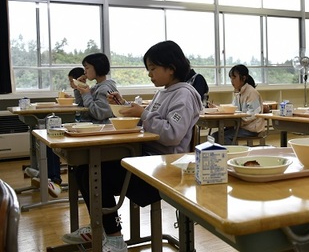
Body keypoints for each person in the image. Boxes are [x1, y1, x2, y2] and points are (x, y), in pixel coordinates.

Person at [62, 41, 203, 252]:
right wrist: (124, 107)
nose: (149, 74)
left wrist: (142, 113)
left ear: (171, 68)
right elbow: (149, 121)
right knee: (83, 167)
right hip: (147, 160)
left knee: (95, 172)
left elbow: (172, 134)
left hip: (163, 170)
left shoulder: (184, 93)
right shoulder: (165, 92)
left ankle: (114, 237)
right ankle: (101, 227)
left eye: (153, 69)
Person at [24, 66, 87, 198]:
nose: (70, 84)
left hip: (82, 127)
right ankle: (48, 177)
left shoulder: (93, 90)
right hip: (77, 125)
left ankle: (52, 180)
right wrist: (76, 93)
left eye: (72, 81)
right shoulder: (83, 91)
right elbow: (81, 104)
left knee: (53, 142)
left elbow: (85, 109)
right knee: (50, 140)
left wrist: (81, 92)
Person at [211, 64, 264, 145]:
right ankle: (222, 155)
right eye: (231, 78)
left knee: (224, 136)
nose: (232, 81)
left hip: (251, 128)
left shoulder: (251, 92)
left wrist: (237, 120)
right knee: (215, 136)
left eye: (234, 77)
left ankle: (233, 154)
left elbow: (254, 114)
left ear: (243, 78)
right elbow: (233, 109)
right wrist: (218, 108)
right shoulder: (238, 92)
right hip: (242, 127)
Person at [73, 53, 117, 123]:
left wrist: (86, 94)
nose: (85, 72)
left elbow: (99, 114)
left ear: (97, 67)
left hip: (103, 129)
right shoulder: (96, 87)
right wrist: (79, 88)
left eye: (87, 68)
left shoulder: (105, 89)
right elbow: (81, 108)